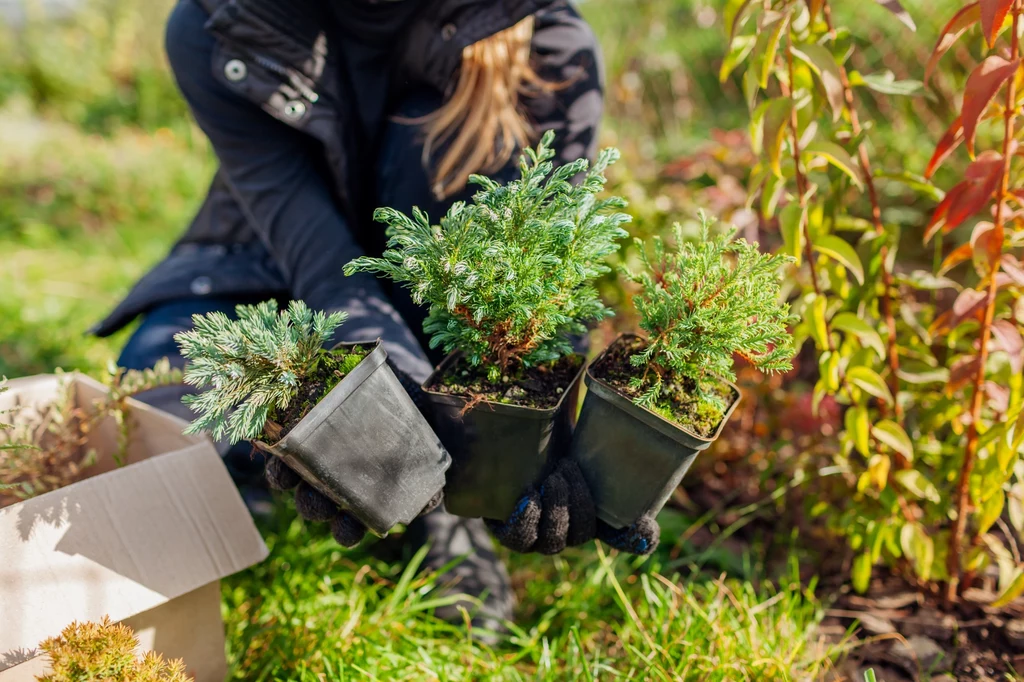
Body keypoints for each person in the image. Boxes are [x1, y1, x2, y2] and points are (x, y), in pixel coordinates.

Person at [92, 0, 658, 630]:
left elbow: (543, 273)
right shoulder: (219, 27)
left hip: (445, 306)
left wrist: (527, 428)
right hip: (271, 266)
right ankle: (272, 467)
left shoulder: (548, 46)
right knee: (155, 414)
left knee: (423, 139)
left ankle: (443, 510)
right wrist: (377, 392)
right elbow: (321, 259)